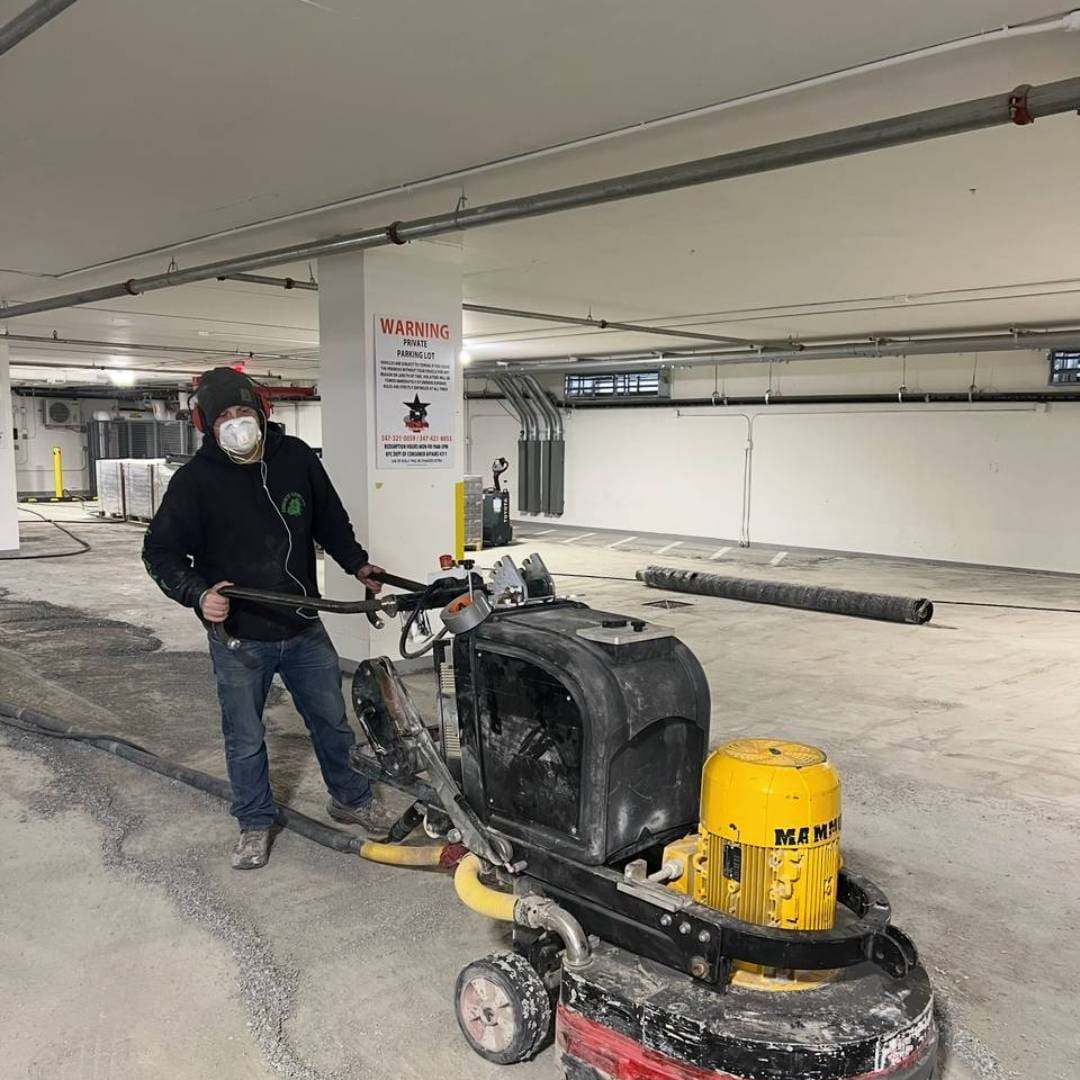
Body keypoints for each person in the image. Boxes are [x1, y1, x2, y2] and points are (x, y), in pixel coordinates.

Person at [142, 366, 388, 870]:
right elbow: (159, 553)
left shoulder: (294, 458)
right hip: (240, 638)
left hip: (303, 625)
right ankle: (254, 821)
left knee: (332, 724)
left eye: (243, 412)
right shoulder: (195, 481)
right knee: (245, 737)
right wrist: (197, 593)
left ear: (262, 413)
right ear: (205, 424)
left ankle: (352, 799)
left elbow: (330, 520)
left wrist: (357, 563)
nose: (236, 422)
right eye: (224, 416)